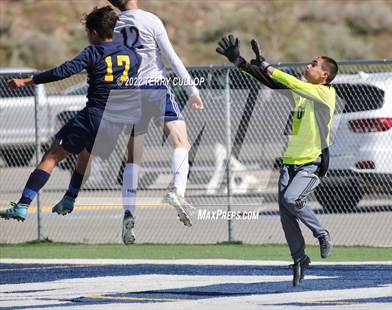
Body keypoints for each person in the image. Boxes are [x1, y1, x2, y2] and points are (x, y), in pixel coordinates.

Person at [216, 35, 336, 286]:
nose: (309, 66)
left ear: (324, 75)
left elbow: (288, 80)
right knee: (285, 212)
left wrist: (268, 65)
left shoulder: (325, 94)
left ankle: (321, 233)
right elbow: (270, 83)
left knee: (293, 199)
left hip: (310, 163)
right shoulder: (301, 94)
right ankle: (300, 258)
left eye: (314, 64)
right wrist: (241, 63)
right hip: (289, 162)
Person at [0, 6, 139, 222]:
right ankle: (69, 198)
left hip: (94, 114)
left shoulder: (93, 52)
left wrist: (28, 80)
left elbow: (64, 71)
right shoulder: (131, 55)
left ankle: (22, 205)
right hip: (117, 122)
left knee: (52, 156)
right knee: (85, 154)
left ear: (94, 33)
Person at [107, 0, 204, 245]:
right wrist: (192, 90)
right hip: (155, 87)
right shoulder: (150, 20)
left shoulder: (113, 25)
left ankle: (129, 212)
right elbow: (172, 58)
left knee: (132, 158)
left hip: (128, 91)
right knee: (181, 141)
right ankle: (177, 191)